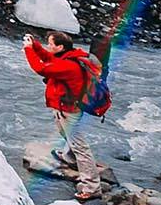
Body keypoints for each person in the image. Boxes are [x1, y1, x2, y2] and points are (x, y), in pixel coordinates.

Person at [23, 29, 109, 195]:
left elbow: (41, 68)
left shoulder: (69, 66)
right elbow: (49, 58)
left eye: (50, 44)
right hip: (65, 108)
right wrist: (35, 45)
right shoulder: (68, 56)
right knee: (66, 135)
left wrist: (28, 49)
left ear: (60, 47)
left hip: (69, 110)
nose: (48, 46)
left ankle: (92, 188)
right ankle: (69, 158)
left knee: (80, 147)